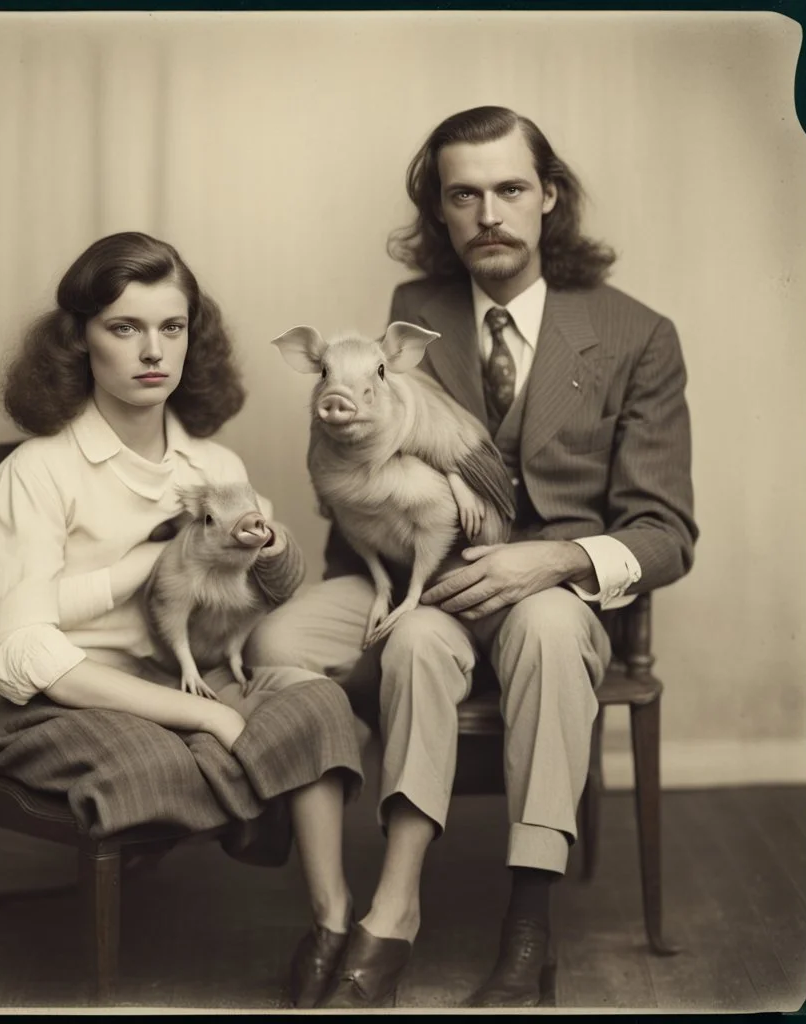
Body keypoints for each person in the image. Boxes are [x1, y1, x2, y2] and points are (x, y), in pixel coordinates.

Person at [246, 105, 698, 1008]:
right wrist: (375, 570)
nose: (488, 213)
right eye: (465, 195)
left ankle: (529, 927)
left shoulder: (637, 334)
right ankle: (370, 897)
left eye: (510, 189)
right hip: (427, 575)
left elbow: (665, 531)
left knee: (544, 631)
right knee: (314, 646)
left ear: (549, 199)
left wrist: (553, 560)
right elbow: (365, 462)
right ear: (441, 213)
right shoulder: (414, 314)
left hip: (552, 589)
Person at [0, 230, 362, 1008]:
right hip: (68, 702)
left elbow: (266, 597)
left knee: (320, 702)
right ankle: (258, 795)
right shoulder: (39, 470)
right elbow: (17, 649)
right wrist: (203, 716)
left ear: (193, 337)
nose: (154, 351)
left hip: (196, 677)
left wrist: (274, 549)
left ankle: (333, 919)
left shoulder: (214, 468)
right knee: (149, 762)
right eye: (124, 327)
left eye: (172, 327)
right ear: (80, 340)